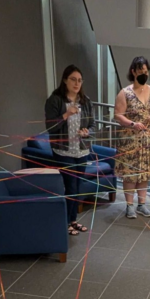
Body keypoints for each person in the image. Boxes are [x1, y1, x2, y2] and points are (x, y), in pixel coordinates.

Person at [43, 64, 96, 236]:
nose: (76, 83)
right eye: (73, 79)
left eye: (79, 80)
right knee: (71, 186)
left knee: (78, 186)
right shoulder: (55, 100)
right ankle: (65, 222)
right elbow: (50, 127)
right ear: (65, 80)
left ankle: (73, 220)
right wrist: (66, 114)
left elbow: (94, 125)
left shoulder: (86, 102)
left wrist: (87, 132)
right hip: (63, 151)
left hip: (81, 151)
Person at [114, 56, 150, 219]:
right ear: (133, 72)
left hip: (149, 142)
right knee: (130, 174)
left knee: (144, 174)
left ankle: (141, 204)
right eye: (141, 71)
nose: (144, 74)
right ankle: (129, 206)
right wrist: (132, 124)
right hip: (130, 142)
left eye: (146, 71)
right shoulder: (125, 93)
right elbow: (118, 115)